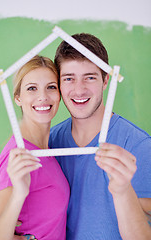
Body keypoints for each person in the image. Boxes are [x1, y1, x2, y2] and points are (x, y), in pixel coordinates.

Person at [49, 33, 151, 239]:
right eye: (69, 78)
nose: (79, 89)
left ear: (105, 80)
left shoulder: (139, 145)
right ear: (59, 84)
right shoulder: (51, 142)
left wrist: (123, 191)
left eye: (90, 77)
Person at [0, 55, 70, 240]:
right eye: (31, 88)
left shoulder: (48, 148)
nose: (42, 97)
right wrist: (19, 194)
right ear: (18, 98)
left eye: (51, 87)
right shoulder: (19, 155)